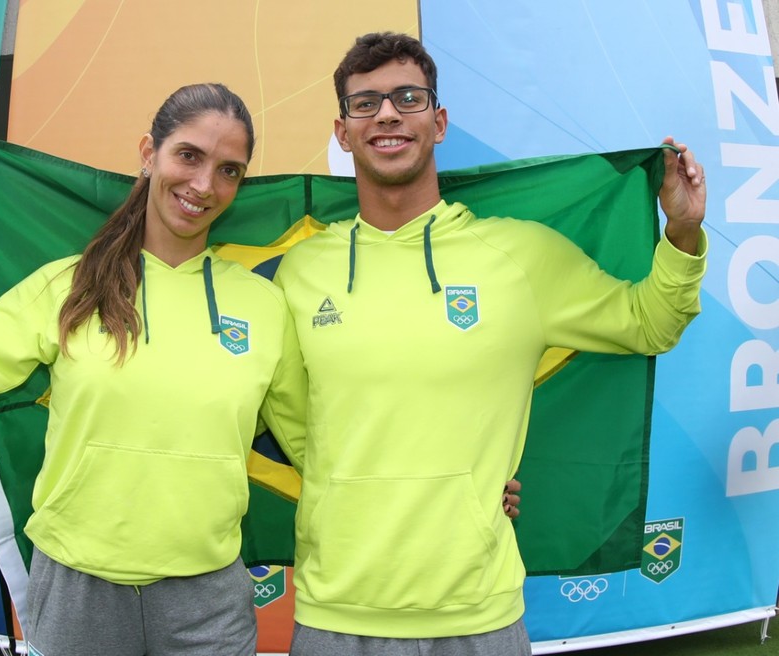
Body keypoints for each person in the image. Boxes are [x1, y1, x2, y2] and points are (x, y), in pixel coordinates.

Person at [272, 32, 707, 655]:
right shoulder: (301, 271)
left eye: (407, 97)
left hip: (480, 615)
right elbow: (295, 425)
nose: (388, 113)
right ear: (342, 132)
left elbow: (648, 322)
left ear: (439, 121)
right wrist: (405, 485)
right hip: (337, 610)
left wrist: (683, 230)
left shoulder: (520, 256)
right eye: (365, 103)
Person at [0, 83, 308, 656]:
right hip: (75, 590)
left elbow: (314, 449)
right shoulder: (67, 286)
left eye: (229, 170)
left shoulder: (264, 305)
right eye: (189, 155)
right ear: (147, 153)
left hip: (209, 600)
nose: (205, 185)